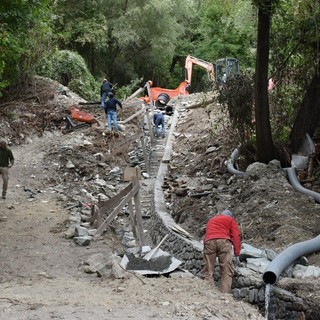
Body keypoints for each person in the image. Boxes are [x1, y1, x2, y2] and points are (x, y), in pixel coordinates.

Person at [202, 209, 241, 293]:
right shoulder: (230, 219)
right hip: (223, 242)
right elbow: (236, 236)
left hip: (209, 242)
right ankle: (225, 293)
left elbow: (207, 234)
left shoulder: (211, 220)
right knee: (226, 268)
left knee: (208, 268)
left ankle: (208, 291)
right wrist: (237, 253)